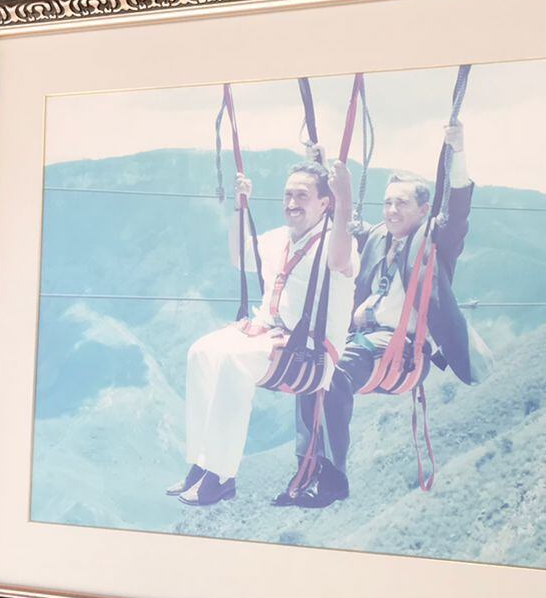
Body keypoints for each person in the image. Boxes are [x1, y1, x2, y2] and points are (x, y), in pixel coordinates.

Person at [280, 122, 488, 507]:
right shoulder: (376, 237)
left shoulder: (434, 242)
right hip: (363, 340)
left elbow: (457, 209)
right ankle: (306, 468)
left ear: (424, 210)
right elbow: (337, 219)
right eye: (388, 202)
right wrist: (319, 167)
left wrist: (456, 153)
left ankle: (332, 477)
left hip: (401, 349)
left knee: (333, 370)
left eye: (402, 204)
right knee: (308, 367)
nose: (392, 211)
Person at [168, 159, 358, 505]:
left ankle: (221, 476)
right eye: (288, 195)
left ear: (324, 203)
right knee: (201, 352)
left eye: (302, 196)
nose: (291, 203)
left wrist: (344, 199)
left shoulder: (336, 242)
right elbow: (239, 257)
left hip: (312, 354)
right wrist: (240, 208)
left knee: (234, 362)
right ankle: (201, 462)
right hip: (271, 334)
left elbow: (340, 261)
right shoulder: (277, 239)